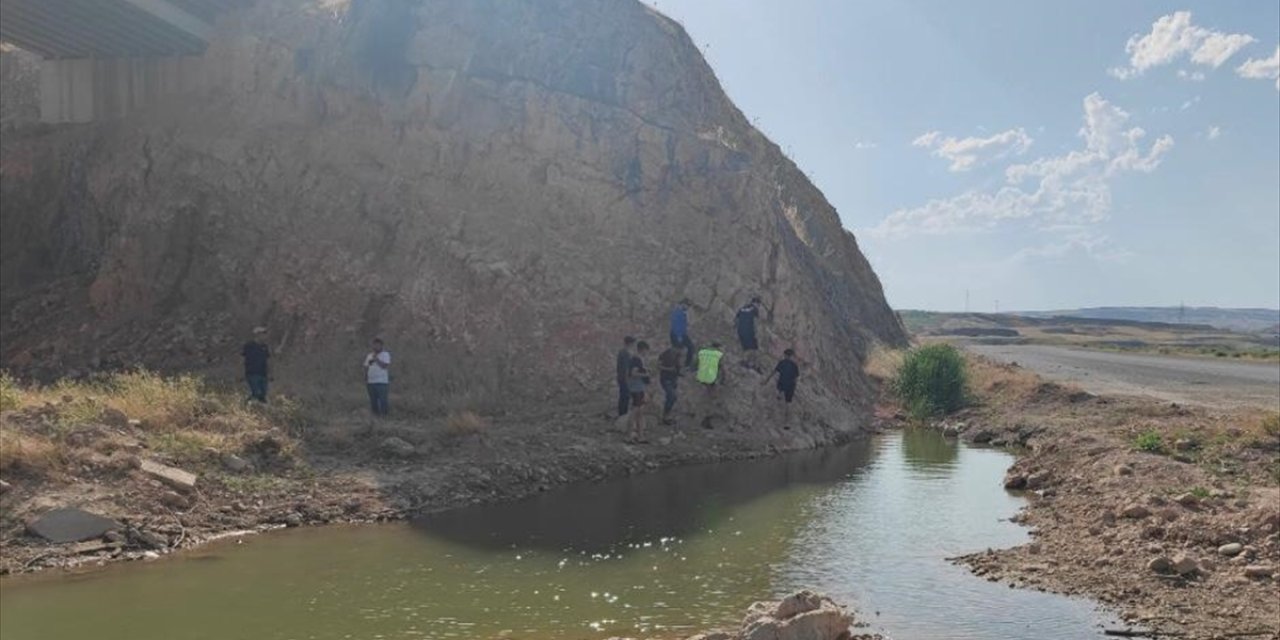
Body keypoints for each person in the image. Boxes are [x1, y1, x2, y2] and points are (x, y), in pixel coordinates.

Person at [762, 348, 801, 428]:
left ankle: (779, 393)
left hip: (782, 383)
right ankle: (787, 423)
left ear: (785, 355)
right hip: (790, 386)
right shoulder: (795, 365)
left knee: (779, 385)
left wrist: (766, 381)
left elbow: (773, 372)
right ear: (792, 356)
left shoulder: (782, 363)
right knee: (788, 404)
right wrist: (794, 388)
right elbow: (796, 379)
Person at [627, 340, 652, 442]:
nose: (647, 353)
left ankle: (640, 436)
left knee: (640, 412)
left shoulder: (638, 359)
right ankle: (629, 435)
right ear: (643, 350)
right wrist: (646, 375)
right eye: (646, 351)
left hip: (639, 388)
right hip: (636, 388)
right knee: (635, 412)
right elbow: (633, 373)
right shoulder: (636, 359)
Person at [241, 326, 270, 403]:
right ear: (257, 335)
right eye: (262, 334)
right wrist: (240, 372)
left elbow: (267, 360)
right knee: (257, 393)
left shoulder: (265, 346)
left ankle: (261, 410)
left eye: (265, 334)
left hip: (263, 373)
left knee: (263, 395)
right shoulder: (249, 346)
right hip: (252, 372)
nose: (264, 336)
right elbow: (242, 358)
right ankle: (245, 404)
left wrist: (270, 373)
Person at [364, 338, 391, 417]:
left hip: (381, 382)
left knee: (383, 400)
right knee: (373, 400)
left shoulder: (385, 354)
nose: (376, 347)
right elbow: (366, 366)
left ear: (381, 346)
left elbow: (384, 366)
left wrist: (376, 359)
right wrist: (365, 377)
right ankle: (375, 416)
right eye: (374, 345)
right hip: (371, 381)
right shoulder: (369, 355)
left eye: (378, 345)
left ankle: (384, 416)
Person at [657, 342, 684, 425]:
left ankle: (667, 416)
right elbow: (658, 366)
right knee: (672, 396)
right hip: (666, 379)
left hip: (673, 379)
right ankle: (665, 416)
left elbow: (678, 367)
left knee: (671, 398)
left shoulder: (678, 355)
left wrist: (680, 372)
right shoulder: (665, 354)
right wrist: (668, 369)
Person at [735, 296, 762, 367]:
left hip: (740, 330)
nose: (759, 306)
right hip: (749, 330)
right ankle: (752, 364)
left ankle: (744, 360)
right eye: (759, 304)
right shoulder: (754, 309)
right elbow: (756, 322)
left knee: (745, 347)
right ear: (756, 303)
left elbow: (736, 319)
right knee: (754, 348)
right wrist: (756, 333)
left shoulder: (742, 308)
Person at [669, 299, 696, 370]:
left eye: (689, 306)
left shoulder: (682, 312)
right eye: (687, 305)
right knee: (681, 350)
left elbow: (682, 324)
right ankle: (679, 366)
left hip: (679, 334)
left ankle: (681, 365)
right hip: (677, 335)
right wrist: (679, 336)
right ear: (683, 304)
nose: (688, 307)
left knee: (688, 348)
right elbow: (675, 325)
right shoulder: (678, 313)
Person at [615, 336, 636, 417]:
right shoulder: (625, 353)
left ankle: (622, 413)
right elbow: (626, 368)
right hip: (624, 378)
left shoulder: (622, 352)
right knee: (625, 397)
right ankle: (623, 414)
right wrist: (628, 380)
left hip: (621, 377)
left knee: (623, 396)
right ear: (630, 343)